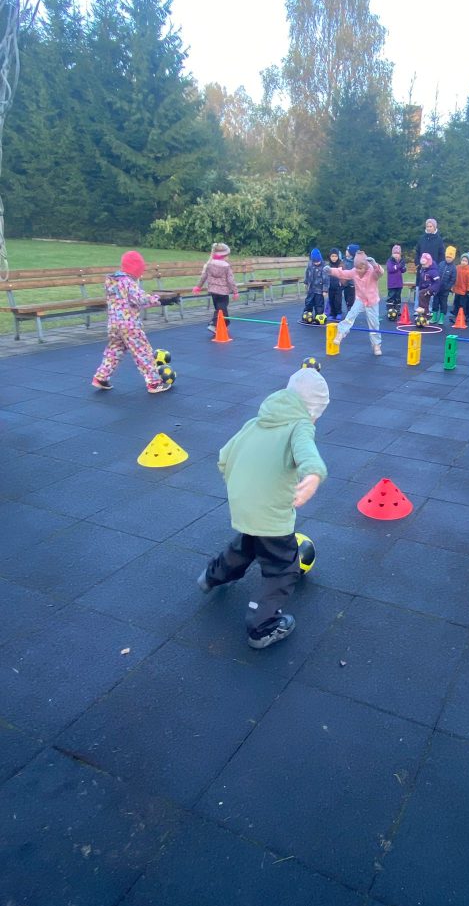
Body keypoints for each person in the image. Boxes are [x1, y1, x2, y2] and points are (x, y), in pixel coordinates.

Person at [197, 367, 329, 649]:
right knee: (282, 567)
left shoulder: (257, 421)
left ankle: (211, 576)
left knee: (246, 545)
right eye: (318, 414)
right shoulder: (301, 425)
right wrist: (313, 474)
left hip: (243, 504)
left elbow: (224, 457)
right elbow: (306, 450)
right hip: (271, 513)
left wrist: (240, 487)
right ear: (312, 410)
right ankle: (262, 627)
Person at [92, 250, 177, 393]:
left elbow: (125, 301)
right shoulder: (128, 282)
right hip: (129, 325)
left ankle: (101, 377)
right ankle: (154, 383)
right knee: (143, 352)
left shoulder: (112, 282)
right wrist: (161, 300)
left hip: (113, 324)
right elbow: (140, 299)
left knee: (114, 350)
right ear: (136, 268)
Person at [329, 250, 385, 355]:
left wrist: (374, 264)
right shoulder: (354, 271)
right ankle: (341, 333)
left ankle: (376, 345)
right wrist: (330, 271)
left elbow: (380, 273)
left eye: (361, 268)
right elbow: (343, 273)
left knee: (374, 323)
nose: (358, 270)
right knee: (350, 315)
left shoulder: (372, 272)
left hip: (372, 301)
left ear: (366, 266)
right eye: (357, 268)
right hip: (360, 299)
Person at [193, 242, 239, 334]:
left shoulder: (209, 264)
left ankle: (224, 324)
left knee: (220, 309)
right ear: (224, 256)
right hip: (223, 292)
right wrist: (235, 292)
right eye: (227, 256)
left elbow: (203, 276)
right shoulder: (226, 266)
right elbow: (230, 280)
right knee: (221, 310)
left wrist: (198, 287)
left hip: (213, 291)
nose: (228, 258)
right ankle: (213, 324)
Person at [432, 245, 457, 324]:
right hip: (437, 288)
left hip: (445, 290)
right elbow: (436, 273)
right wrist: (435, 283)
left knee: (443, 304)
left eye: (450, 257)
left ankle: (441, 318)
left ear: (453, 258)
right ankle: (434, 316)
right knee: (435, 302)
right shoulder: (441, 264)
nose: (448, 258)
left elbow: (453, 279)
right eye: (447, 257)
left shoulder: (453, 268)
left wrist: (447, 287)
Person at [303, 248, 327, 319]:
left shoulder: (324, 266)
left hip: (319, 290)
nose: (317, 263)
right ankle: (307, 314)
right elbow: (307, 274)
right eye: (315, 262)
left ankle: (319, 316)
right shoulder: (310, 265)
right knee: (308, 302)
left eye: (318, 261)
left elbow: (326, 279)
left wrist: (325, 290)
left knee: (319, 304)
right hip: (311, 288)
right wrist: (306, 282)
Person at [450, 252, 469, 324]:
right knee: (456, 303)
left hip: (464, 291)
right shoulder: (457, 268)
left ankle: (463, 316)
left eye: (465, 261)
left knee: (462, 305)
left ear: (468, 262)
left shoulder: (468, 271)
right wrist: (452, 287)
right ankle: (455, 315)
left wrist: (468, 290)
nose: (463, 262)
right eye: (463, 260)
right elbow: (454, 278)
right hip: (457, 290)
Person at [416, 253, 440, 318]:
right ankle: (425, 314)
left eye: (424, 264)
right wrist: (420, 287)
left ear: (429, 263)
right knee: (425, 300)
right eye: (422, 264)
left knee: (422, 294)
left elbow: (437, 282)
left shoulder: (433, 271)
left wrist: (431, 290)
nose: (423, 266)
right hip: (424, 287)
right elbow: (421, 280)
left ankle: (423, 310)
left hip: (430, 288)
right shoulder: (423, 269)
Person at [386, 244, 406, 313]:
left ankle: (397, 310)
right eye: (395, 253)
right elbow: (390, 269)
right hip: (392, 284)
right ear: (392, 254)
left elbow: (403, 271)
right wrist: (399, 266)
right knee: (391, 297)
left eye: (398, 253)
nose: (396, 255)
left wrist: (403, 266)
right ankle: (390, 310)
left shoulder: (400, 261)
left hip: (399, 283)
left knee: (398, 298)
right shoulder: (390, 261)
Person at [340, 244, 358, 312]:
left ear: (351, 253)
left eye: (347, 250)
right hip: (344, 282)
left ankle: (350, 311)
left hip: (351, 284)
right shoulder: (343, 260)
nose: (346, 251)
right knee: (344, 297)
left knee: (350, 300)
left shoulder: (355, 262)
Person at [326, 248, 344, 320]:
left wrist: (341, 282)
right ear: (330, 257)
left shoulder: (340, 264)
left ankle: (339, 313)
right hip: (330, 286)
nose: (334, 258)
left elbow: (344, 274)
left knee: (338, 300)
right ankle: (332, 313)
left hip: (338, 286)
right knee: (331, 300)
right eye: (332, 256)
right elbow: (325, 275)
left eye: (335, 256)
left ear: (338, 257)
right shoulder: (328, 265)